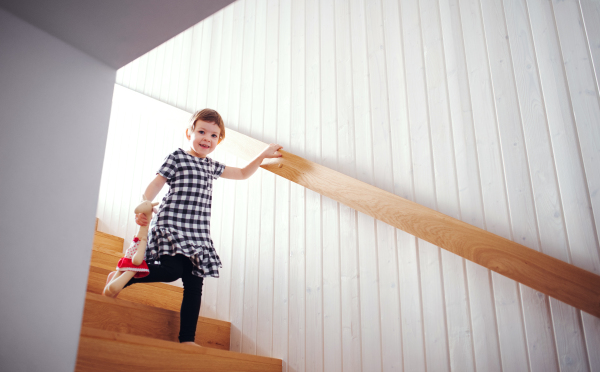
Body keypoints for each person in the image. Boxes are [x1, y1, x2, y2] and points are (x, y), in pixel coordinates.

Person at [104, 108, 282, 346]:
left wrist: (262, 155)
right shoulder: (177, 157)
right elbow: (156, 184)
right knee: (172, 270)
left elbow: (241, 173)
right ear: (189, 133)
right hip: (173, 225)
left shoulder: (211, 166)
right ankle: (129, 274)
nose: (207, 138)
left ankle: (187, 339)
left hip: (198, 234)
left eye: (214, 135)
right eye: (201, 131)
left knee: (195, 286)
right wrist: (145, 204)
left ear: (219, 140)